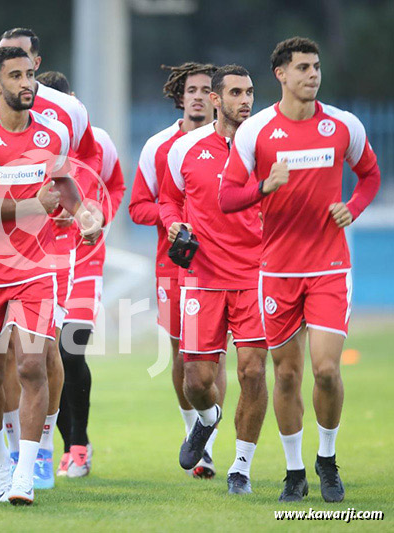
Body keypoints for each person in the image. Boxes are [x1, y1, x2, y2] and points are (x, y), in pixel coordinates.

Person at [219, 37, 380, 502]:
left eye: (316, 66)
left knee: (326, 370)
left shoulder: (343, 126)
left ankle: (326, 460)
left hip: (329, 267)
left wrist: (354, 205)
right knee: (286, 376)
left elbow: (370, 176)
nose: (313, 74)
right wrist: (263, 187)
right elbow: (228, 197)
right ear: (281, 75)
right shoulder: (256, 133)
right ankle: (294, 472)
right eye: (303, 68)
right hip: (278, 271)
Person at [0, 46, 102, 505]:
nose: (27, 84)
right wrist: (30, 207)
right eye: (16, 76)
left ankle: (23, 474)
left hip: (38, 270)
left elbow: (64, 184)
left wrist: (84, 215)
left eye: (31, 75)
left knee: (33, 364)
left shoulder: (53, 133)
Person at [160, 65, 268, 494]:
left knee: (253, 373)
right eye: (237, 93)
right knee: (196, 381)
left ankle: (241, 467)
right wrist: (172, 224)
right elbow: (168, 200)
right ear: (217, 101)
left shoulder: (265, 149)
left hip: (256, 276)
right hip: (202, 279)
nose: (246, 100)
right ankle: (208, 420)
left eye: (251, 92)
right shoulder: (184, 149)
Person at [129, 62, 225, 478]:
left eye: (208, 89)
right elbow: (138, 206)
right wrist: (173, 221)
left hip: (224, 265)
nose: (200, 96)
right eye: (193, 90)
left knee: (219, 356)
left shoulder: (237, 143)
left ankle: (209, 446)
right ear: (180, 97)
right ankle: (195, 433)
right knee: (182, 354)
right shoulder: (159, 147)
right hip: (174, 266)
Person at [35, 70, 126, 479]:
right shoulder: (32, 143)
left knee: (72, 350)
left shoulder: (98, 141)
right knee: (44, 356)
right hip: (40, 261)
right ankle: (57, 444)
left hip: (85, 258)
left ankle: (78, 443)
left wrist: (101, 215)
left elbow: (117, 184)